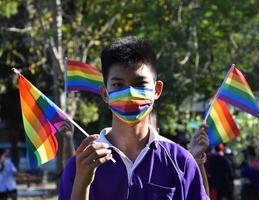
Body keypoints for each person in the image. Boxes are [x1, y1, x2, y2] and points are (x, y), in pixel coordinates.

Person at [59, 37, 209, 200]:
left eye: (140, 83)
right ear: (105, 94)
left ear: (157, 90)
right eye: (118, 85)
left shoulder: (180, 161)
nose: (130, 93)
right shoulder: (80, 164)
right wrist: (82, 183)